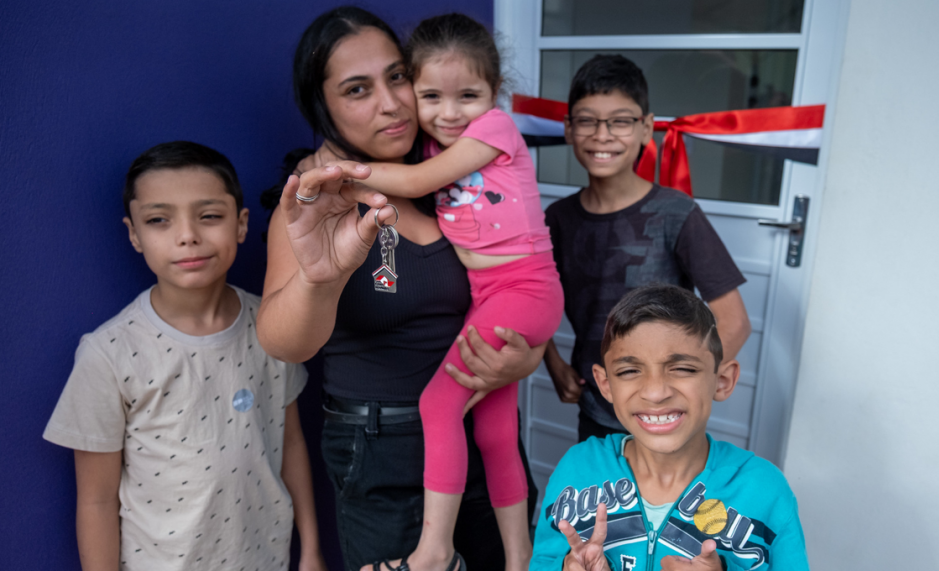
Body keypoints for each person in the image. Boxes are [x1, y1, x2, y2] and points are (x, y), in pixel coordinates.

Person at [255, 7, 545, 571]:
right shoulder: (316, 202)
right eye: (357, 89)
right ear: (322, 107)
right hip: (382, 452)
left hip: (480, 434)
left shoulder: (449, 169)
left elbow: (514, 283)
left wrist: (524, 358)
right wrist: (320, 278)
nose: (391, 103)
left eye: (397, 77)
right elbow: (284, 344)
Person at [42, 141, 324, 571]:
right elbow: (96, 500)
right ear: (134, 234)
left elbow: (292, 442)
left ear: (241, 224)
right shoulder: (110, 353)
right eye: (159, 220)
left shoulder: (274, 326)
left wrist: (312, 550)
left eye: (209, 216)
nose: (188, 235)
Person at [350, 13, 562, 571]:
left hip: (523, 287)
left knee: (437, 405)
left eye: (467, 95)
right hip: (491, 294)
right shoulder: (431, 143)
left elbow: (418, 183)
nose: (449, 113)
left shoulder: (494, 129)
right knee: (494, 431)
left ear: (495, 91)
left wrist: (341, 171)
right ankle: (520, 559)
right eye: (431, 97)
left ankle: (433, 552)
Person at [543, 55, 752, 443]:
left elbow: (734, 321)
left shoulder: (677, 213)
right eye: (587, 121)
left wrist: (678, 388)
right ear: (569, 129)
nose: (602, 135)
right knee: (600, 485)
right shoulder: (557, 219)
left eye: (620, 121)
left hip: (666, 419)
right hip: (596, 412)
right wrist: (552, 361)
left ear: (646, 128)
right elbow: (531, 300)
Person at [531, 284, 809, 571]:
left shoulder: (765, 490)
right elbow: (542, 561)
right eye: (629, 371)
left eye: (683, 369)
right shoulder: (577, 469)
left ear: (722, 381)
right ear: (606, 385)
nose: (655, 392)